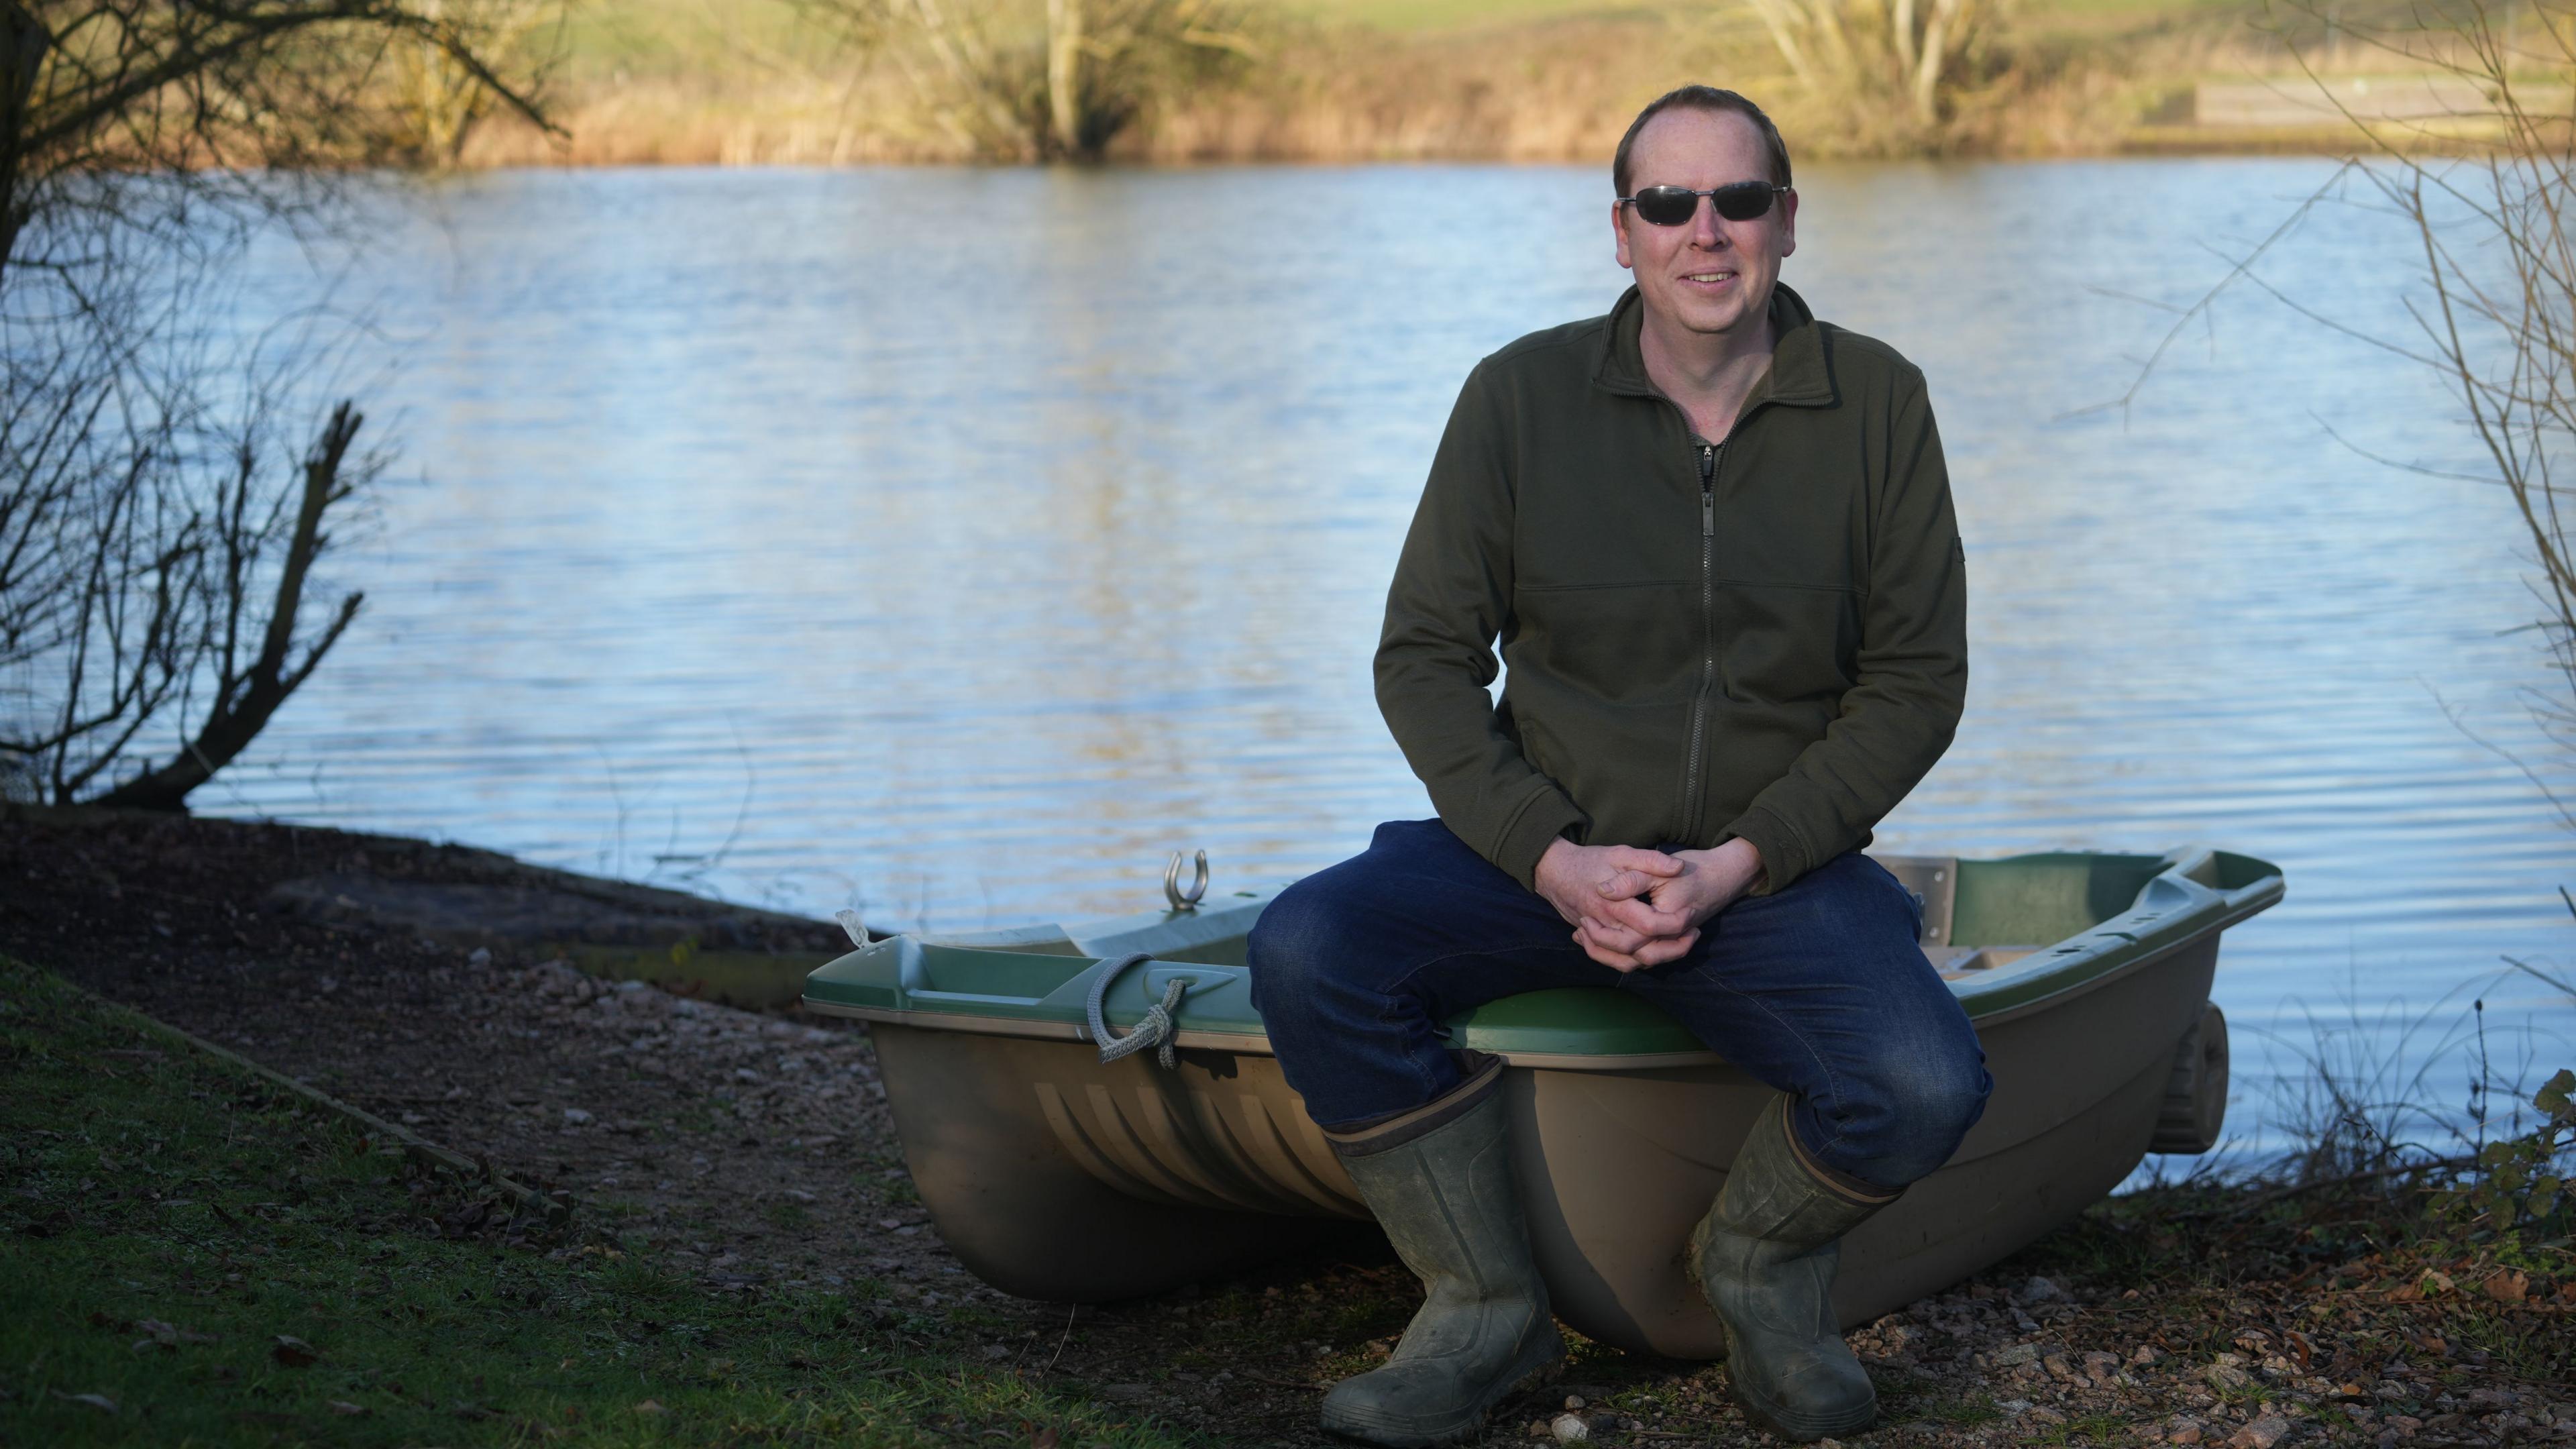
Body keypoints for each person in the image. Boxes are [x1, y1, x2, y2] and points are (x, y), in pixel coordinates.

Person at [1244, 85, 1994, 1448]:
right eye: (1669, 204)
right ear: (1623, 231)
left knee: (1925, 1082)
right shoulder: (1519, 399)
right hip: (1545, 857)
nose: (1706, 233)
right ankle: (1482, 1312)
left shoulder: (1878, 402)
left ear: (1785, 219)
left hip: (1768, 870)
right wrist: (1550, 852)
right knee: (1309, 947)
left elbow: (1916, 681)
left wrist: (1740, 861)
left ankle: (1759, 1277)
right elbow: (1421, 657)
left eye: (1739, 201)